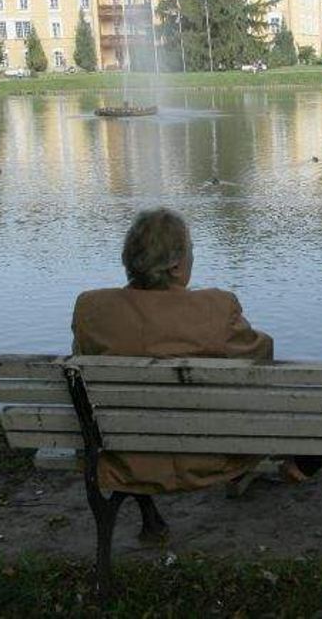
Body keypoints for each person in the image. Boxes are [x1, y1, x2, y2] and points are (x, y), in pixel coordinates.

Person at [71, 207, 273, 539]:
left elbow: (82, 362)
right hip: (212, 457)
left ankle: (150, 517)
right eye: (191, 249)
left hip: (124, 456)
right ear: (177, 265)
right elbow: (260, 359)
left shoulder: (92, 309)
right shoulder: (216, 308)